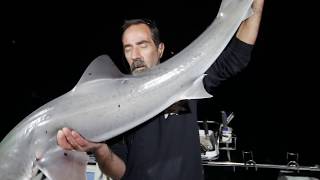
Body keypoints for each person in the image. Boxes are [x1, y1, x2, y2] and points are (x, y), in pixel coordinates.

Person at [57, 0, 264, 179]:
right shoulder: (114, 103)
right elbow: (120, 171)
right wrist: (99, 149)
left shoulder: (183, 81)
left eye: (143, 45)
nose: (135, 54)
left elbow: (236, 56)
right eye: (128, 48)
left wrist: (256, 6)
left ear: (160, 49)